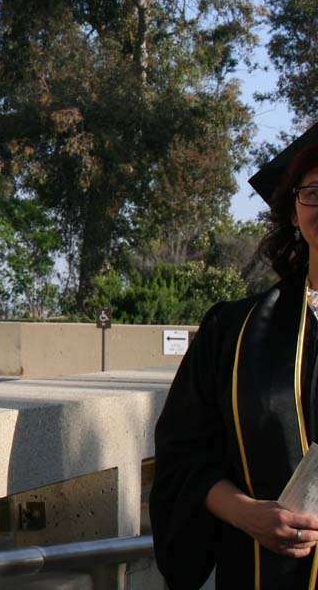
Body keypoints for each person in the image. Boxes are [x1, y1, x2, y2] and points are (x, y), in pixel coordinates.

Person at [151, 123, 318, 589]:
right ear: (293, 212)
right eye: (313, 193)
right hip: (262, 571)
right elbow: (184, 458)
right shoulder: (233, 332)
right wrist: (246, 513)